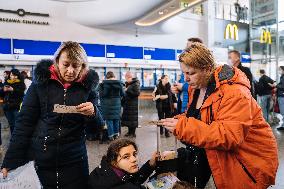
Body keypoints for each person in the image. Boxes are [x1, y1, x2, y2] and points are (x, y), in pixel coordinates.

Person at [161, 43, 278, 189]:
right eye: (184, 73)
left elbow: (228, 135)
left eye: (191, 73)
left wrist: (183, 126)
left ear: (207, 69)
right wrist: (179, 120)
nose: (186, 79)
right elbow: (200, 117)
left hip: (247, 162)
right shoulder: (196, 88)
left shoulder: (234, 92)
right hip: (216, 156)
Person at [1, 41, 100, 189]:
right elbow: (24, 124)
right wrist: (11, 160)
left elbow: (95, 130)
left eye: (76, 65)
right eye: (66, 64)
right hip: (40, 159)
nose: (71, 71)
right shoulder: (39, 85)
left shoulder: (88, 89)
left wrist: (94, 114)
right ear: (57, 62)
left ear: (83, 67)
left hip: (75, 162)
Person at [88, 138, 157, 189]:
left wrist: (150, 164)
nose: (134, 159)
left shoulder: (106, 168)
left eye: (134, 154)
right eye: (126, 157)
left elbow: (133, 178)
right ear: (113, 161)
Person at [172, 38, 203, 113]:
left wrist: (183, 86)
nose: (185, 49)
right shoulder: (185, 67)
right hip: (182, 104)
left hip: (190, 107)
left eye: (188, 47)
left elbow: (200, 86)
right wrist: (176, 88)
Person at [99, 71, 124, 141]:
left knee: (109, 120)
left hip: (107, 105)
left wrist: (100, 85)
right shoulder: (119, 83)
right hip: (117, 104)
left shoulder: (104, 84)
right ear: (114, 76)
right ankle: (116, 135)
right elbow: (123, 94)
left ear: (107, 77)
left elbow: (102, 94)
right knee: (116, 119)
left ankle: (111, 136)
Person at [2, 69, 25, 134]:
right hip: (7, 106)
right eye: (12, 75)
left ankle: (17, 138)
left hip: (16, 106)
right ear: (10, 75)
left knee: (17, 124)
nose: (13, 77)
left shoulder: (21, 83)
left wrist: (13, 90)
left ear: (18, 76)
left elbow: (21, 94)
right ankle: (13, 138)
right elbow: (2, 94)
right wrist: (3, 90)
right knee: (11, 124)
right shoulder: (6, 82)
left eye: (15, 75)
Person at [122, 71, 140, 138]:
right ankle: (129, 132)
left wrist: (127, 90)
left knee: (133, 120)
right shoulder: (129, 84)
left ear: (129, 77)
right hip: (128, 103)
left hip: (133, 104)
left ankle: (133, 133)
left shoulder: (135, 83)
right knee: (129, 120)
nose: (125, 79)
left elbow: (137, 93)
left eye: (126, 78)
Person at [276, 66, 284, 131]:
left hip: (282, 96)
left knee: (283, 111)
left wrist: (276, 85)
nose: (279, 71)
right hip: (281, 95)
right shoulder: (282, 77)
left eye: (280, 70)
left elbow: (282, 86)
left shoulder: (283, 77)